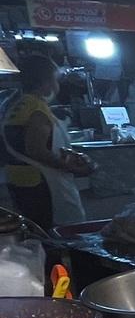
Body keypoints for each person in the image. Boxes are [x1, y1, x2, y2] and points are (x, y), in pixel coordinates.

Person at [2, 55, 92, 229]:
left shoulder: (15, 105)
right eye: (55, 80)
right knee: (56, 232)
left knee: (34, 229)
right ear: (45, 82)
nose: (57, 86)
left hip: (21, 180)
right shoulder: (37, 109)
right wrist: (71, 167)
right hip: (44, 184)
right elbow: (36, 150)